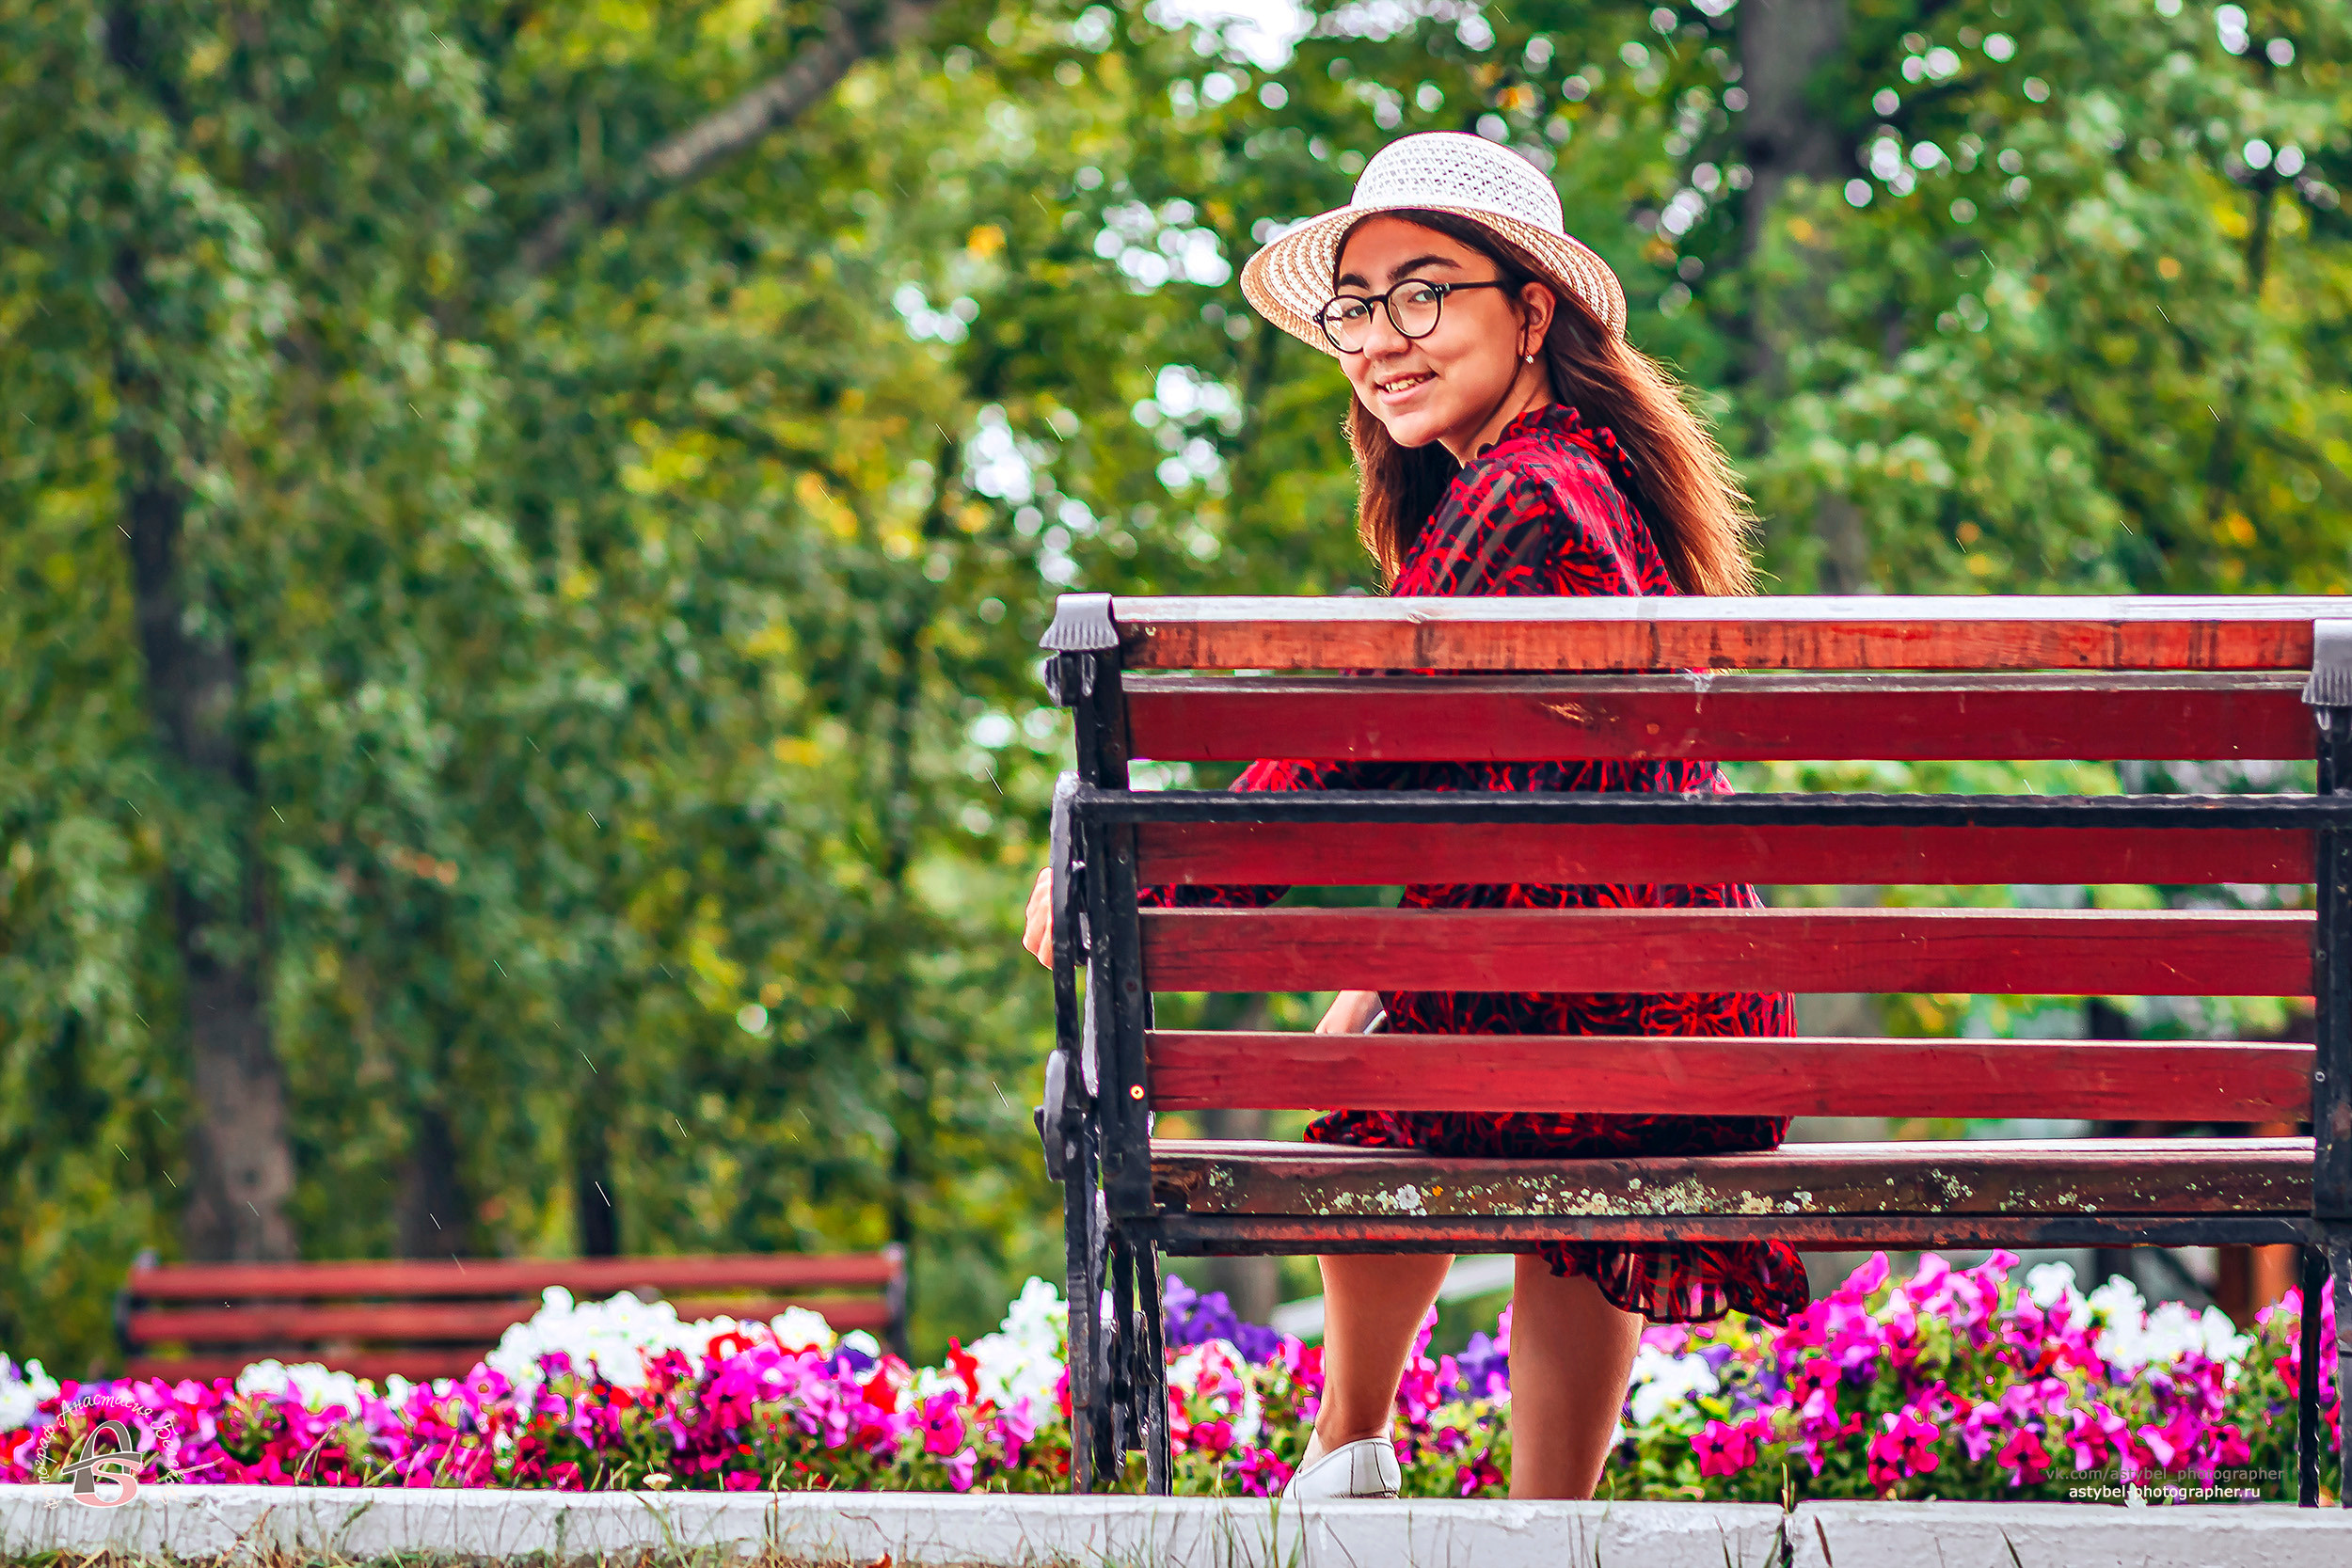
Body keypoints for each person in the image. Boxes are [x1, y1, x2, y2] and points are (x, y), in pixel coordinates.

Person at [1020, 131, 1804, 1501]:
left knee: (1374, 1091)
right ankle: (1534, 1521)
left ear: (1533, 313)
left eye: (1426, 294)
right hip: (1686, 990)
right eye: (1359, 306)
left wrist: (1139, 883)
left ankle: (1346, 1455)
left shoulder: (1521, 494)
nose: (1383, 339)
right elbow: (1481, 782)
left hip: (1605, 978)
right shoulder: (1577, 475)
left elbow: (1348, 748)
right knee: (1418, 1061)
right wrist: (1380, 970)